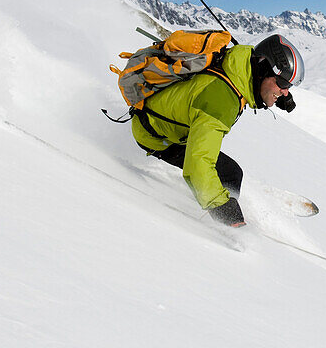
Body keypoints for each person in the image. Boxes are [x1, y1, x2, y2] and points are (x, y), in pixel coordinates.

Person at [130, 34, 304, 227]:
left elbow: (259, 83)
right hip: (155, 135)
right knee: (229, 174)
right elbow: (198, 162)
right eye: (283, 84)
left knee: (231, 173)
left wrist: (278, 93)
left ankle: (217, 196)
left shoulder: (237, 66)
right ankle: (219, 218)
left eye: (288, 86)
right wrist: (224, 211)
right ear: (263, 71)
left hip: (165, 120)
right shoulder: (221, 101)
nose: (286, 91)